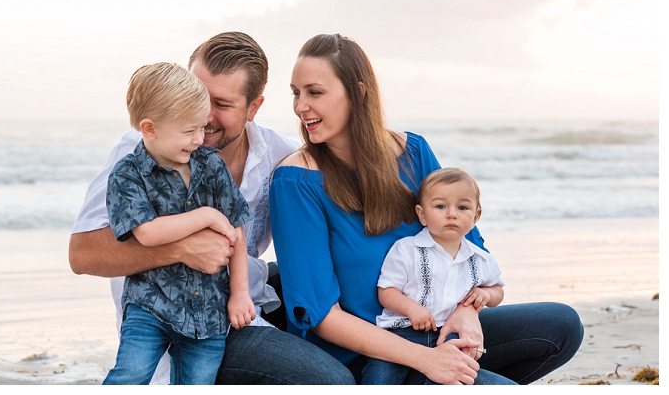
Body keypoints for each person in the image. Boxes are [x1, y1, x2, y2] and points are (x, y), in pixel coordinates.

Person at [269, 33, 584, 385]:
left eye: (314, 92)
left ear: (358, 93)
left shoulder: (413, 152)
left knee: (562, 326)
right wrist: (429, 360)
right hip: (367, 356)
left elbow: (469, 246)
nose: (300, 106)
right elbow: (322, 317)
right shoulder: (296, 180)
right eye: (296, 93)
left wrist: (467, 312)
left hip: (436, 328)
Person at [70, 32, 354, 384]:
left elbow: (342, 215)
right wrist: (181, 249)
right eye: (197, 94)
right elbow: (81, 254)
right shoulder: (138, 152)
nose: (204, 116)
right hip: (179, 321)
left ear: (254, 108)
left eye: (221, 103)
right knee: (329, 380)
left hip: (244, 297)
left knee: (347, 287)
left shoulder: (280, 155)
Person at [102, 62, 256, 384]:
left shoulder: (211, 165)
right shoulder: (126, 175)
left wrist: (240, 293)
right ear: (149, 129)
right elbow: (147, 233)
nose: (200, 138)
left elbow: (237, 230)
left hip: (208, 314)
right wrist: (207, 215)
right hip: (150, 306)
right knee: (128, 377)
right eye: (189, 131)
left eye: (201, 127)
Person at [362, 167, 509, 385]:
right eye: (440, 206)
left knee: (453, 377)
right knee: (380, 379)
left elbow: (498, 290)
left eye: (463, 207)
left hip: (451, 334)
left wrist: (485, 295)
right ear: (422, 214)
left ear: (476, 215)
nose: (452, 214)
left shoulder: (480, 258)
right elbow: (387, 291)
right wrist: (411, 308)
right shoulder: (406, 249)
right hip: (401, 333)